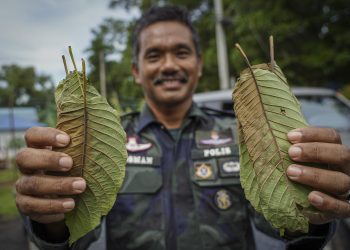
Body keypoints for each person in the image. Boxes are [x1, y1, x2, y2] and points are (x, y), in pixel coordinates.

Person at [15, 5, 350, 250]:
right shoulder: (107, 140)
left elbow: (288, 229)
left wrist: (312, 217)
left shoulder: (242, 133)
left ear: (199, 65)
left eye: (181, 52)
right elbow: (74, 236)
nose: (170, 65)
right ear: (135, 70)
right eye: (154, 55)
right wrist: (50, 218)